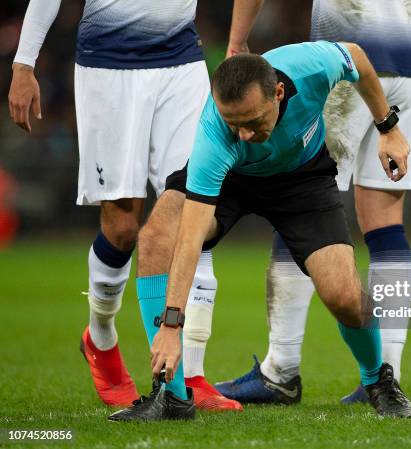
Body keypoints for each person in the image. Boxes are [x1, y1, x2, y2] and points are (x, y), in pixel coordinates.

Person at [109, 40, 411, 421]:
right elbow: (188, 239)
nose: (245, 136)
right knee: (157, 237)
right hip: (231, 179)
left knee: (344, 296)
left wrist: (388, 126)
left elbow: (357, 58)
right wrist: (171, 327)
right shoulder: (217, 136)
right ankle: (171, 396)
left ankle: (378, 380)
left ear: (279, 93)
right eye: (234, 125)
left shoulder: (312, 66)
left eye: (253, 122)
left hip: (302, 180)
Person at [8, 0, 239, 411]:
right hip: (108, 66)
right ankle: (100, 339)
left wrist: (238, 38)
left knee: (194, 210)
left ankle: (189, 376)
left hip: (181, 62)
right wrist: (24, 63)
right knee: (122, 226)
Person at [213, 0, 411, 405]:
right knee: (385, 222)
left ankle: (281, 370)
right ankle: (383, 377)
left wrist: (238, 40)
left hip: (346, 58)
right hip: (410, 64)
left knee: (297, 196)